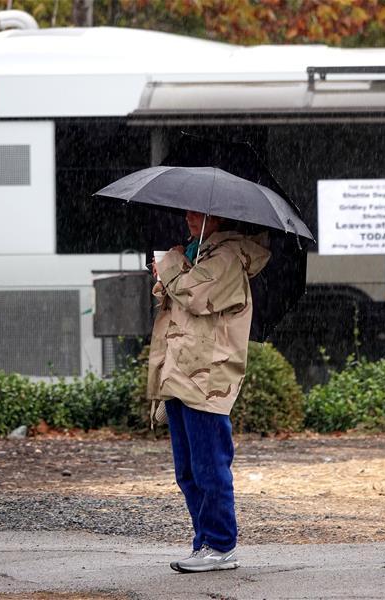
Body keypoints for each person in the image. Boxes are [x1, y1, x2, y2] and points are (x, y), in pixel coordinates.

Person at [148, 210, 270, 573]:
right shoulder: (196, 254)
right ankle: (204, 543)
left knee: (209, 466)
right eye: (186, 210)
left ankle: (220, 545)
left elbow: (196, 295)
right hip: (180, 374)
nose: (188, 216)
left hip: (206, 380)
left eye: (198, 211)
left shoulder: (228, 257)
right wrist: (170, 269)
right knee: (187, 470)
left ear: (220, 216)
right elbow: (180, 305)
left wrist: (170, 264)